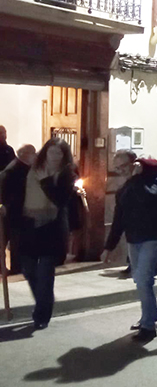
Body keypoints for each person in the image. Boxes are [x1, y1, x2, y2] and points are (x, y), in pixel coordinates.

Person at [101, 153, 157, 342]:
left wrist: (139, 174)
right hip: (134, 239)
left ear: (135, 164)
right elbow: (118, 220)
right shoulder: (124, 189)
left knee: (144, 278)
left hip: (153, 237)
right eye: (117, 168)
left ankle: (148, 326)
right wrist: (109, 247)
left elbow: (149, 188)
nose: (121, 171)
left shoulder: (154, 184)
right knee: (140, 280)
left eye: (123, 166)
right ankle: (149, 316)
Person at [14, 139, 76, 330]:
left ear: (64, 156)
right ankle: (45, 299)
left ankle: (42, 314)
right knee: (28, 270)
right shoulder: (32, 168)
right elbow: (12, 183)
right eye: (52, 152)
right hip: (29, 225)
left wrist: (45, 180)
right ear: (45, 152)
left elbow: (60, 199)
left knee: (45, 274)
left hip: (52, 227)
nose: (55, 156)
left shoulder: (67, 173)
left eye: (59, 153)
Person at [0, 144, 37, 275]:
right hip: (12, 213)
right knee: (10, 241)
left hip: (20, 212)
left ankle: (17, 268)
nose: (35, 156)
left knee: (18, 242)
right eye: (33, 153)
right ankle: (10, 269)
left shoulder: (24, 167)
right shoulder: (13, 170)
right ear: (25, 155)